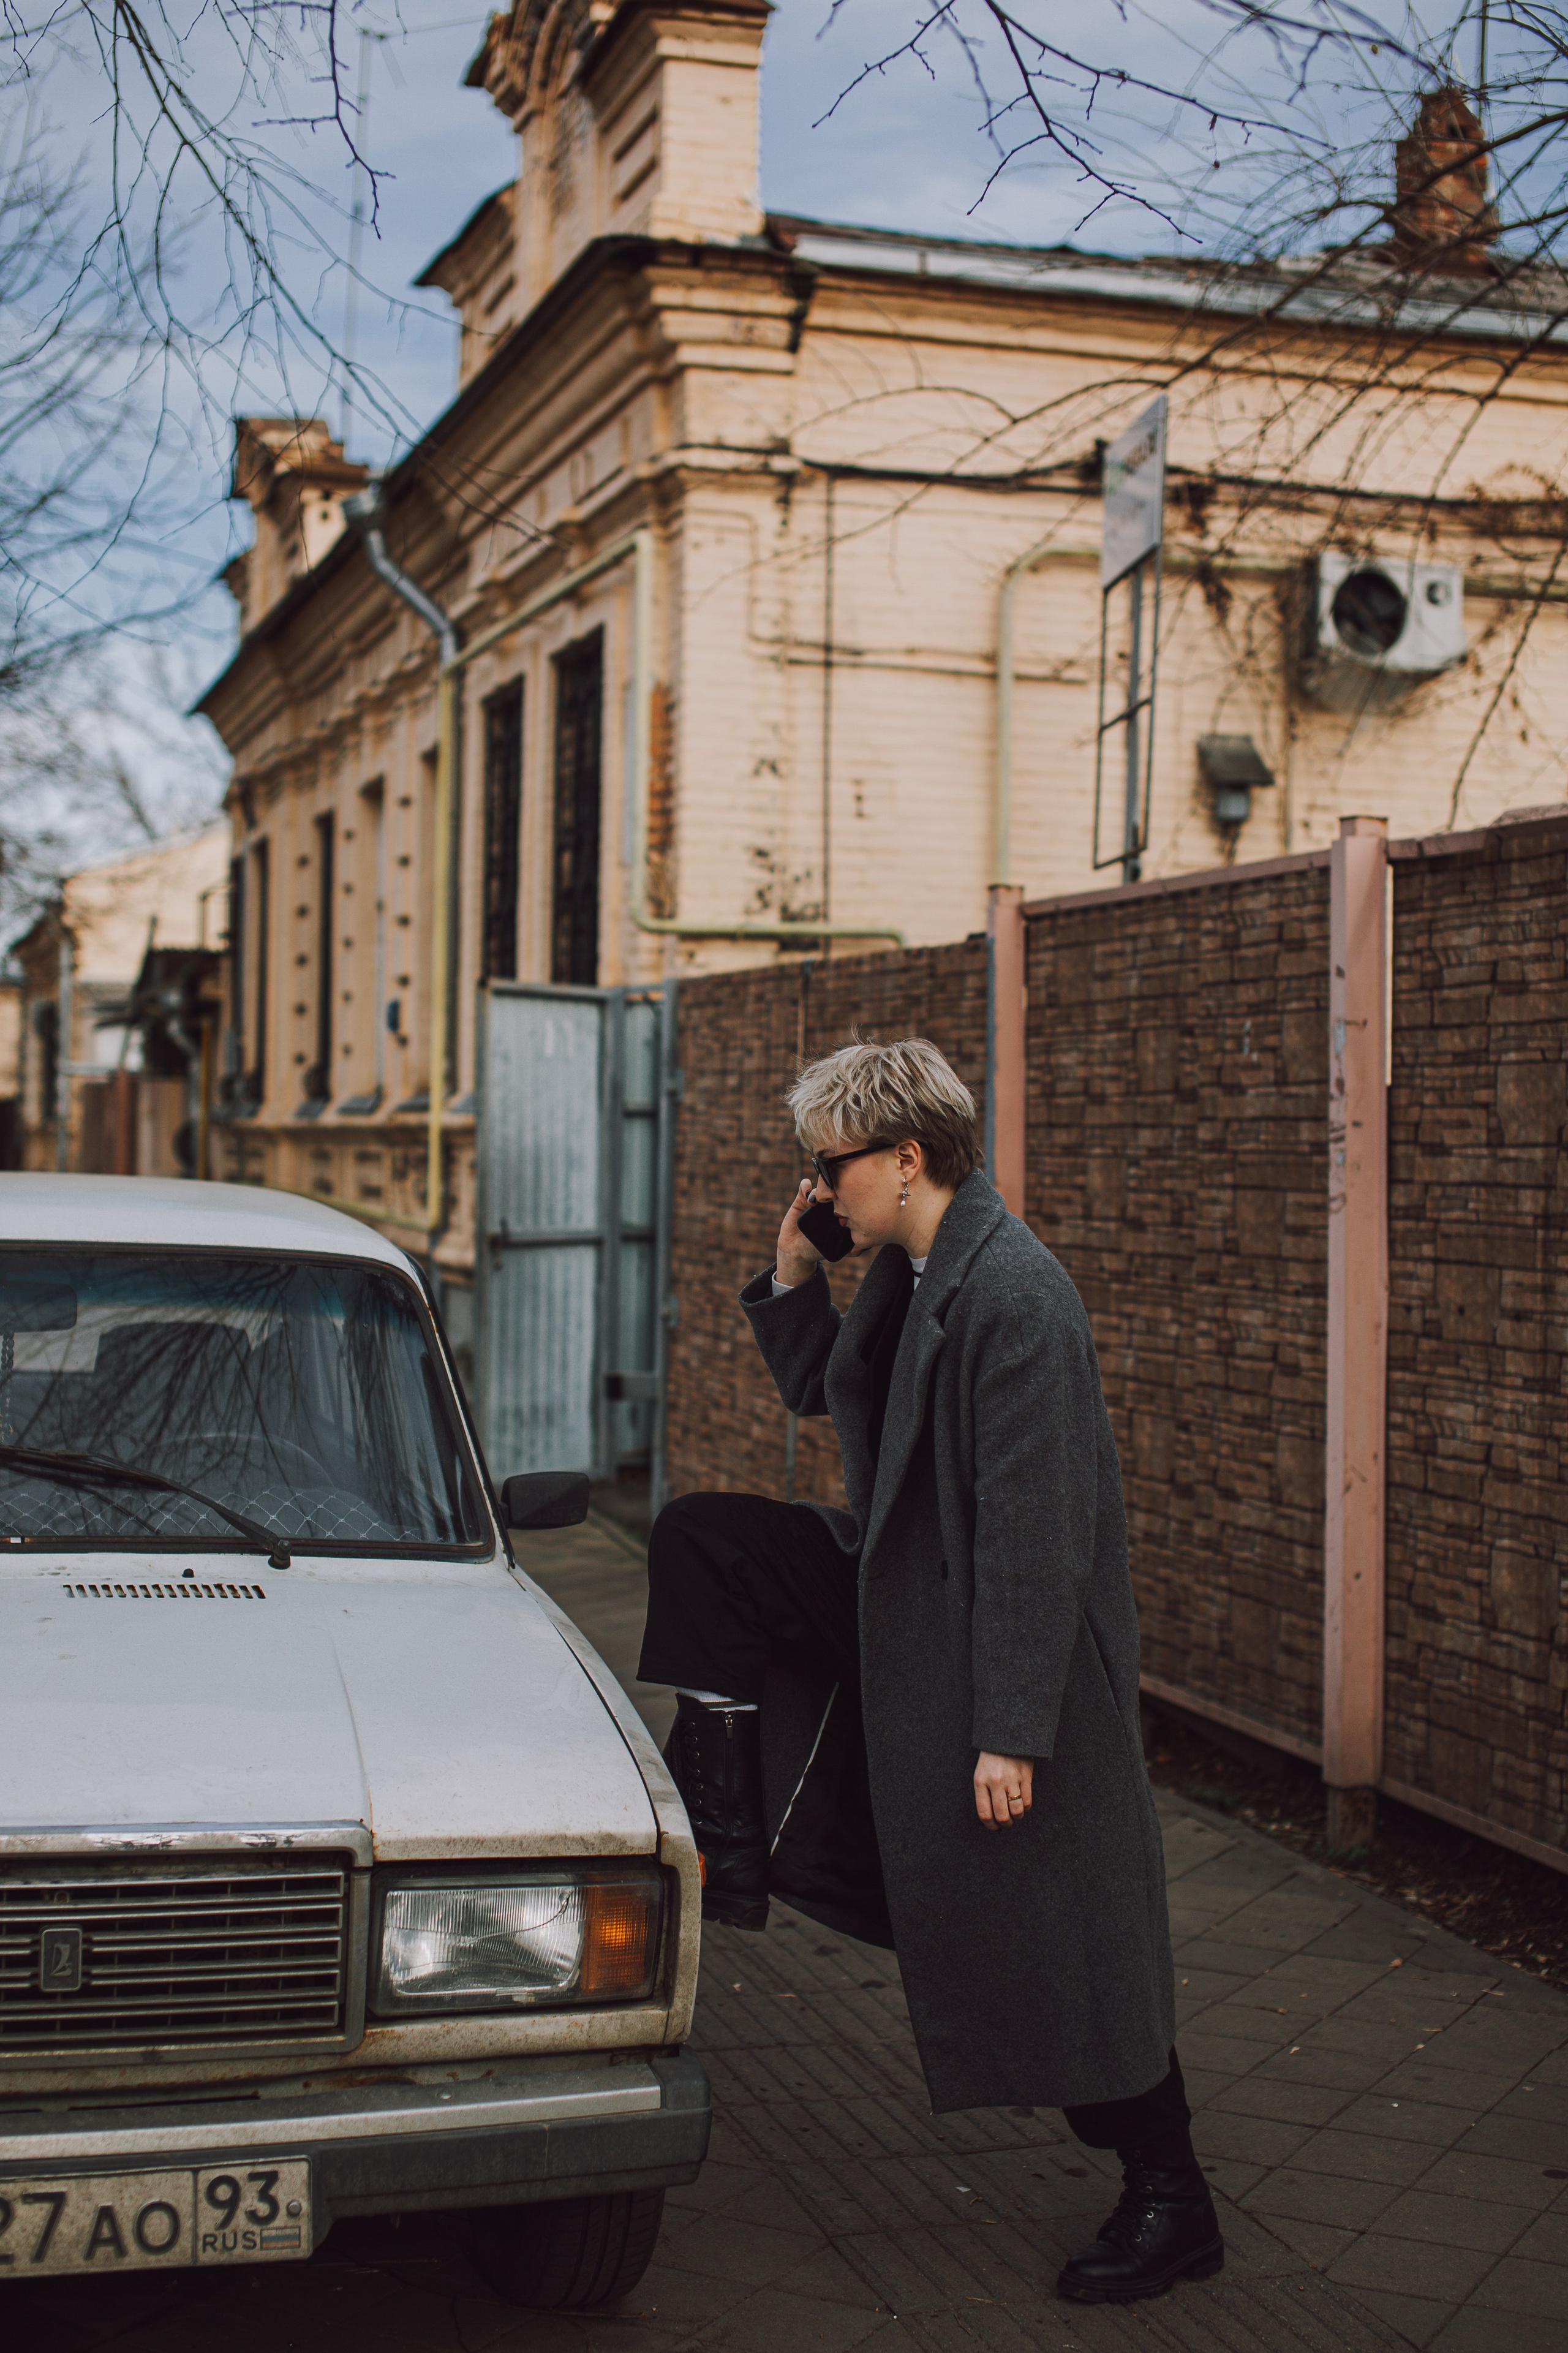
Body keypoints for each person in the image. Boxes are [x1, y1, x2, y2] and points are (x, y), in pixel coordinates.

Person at [638, 1037, 1221, 2305]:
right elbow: (823, 1394)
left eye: (830, 1166)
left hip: (999, 1652)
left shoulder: (1014, 1296)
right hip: (907, 1603)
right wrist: (798, 1270)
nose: (818, 1186)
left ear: (905, 1158)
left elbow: (1035, 1532)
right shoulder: (915, 1270)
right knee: (703, 1538)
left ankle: (1172, 2200)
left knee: (1065, 1944)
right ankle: (726, 1821)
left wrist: (1008, 1729)